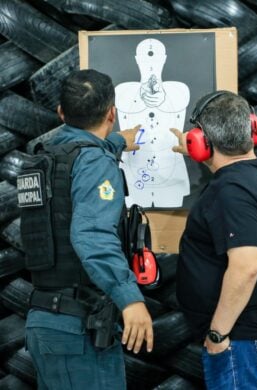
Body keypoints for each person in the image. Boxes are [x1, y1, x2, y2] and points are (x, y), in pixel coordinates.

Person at [23, 69, 154, 389]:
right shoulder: (94, 163)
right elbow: (91, 234)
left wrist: (114, 142)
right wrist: (130, 299)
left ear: (61, 113)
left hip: (47, 320)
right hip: (77, 326)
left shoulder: (46, 159)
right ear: (113, 113)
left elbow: (78, 162)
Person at [171, 91, 257, 389]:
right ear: (252, 129)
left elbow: (245, 267)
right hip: (255, 335)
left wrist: (217, 335)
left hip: (242, 340)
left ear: (201, 143)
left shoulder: (233, 191)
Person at [116, 38, 191, 208]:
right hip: (134, 173)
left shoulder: (178, 90)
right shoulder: (124, 91)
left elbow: (176, 101)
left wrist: (160, 96)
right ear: (137, 59)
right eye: (146, 56)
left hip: (171, 171)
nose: (150, 61)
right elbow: (126, 102)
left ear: (164, 58)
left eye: (154, 56)